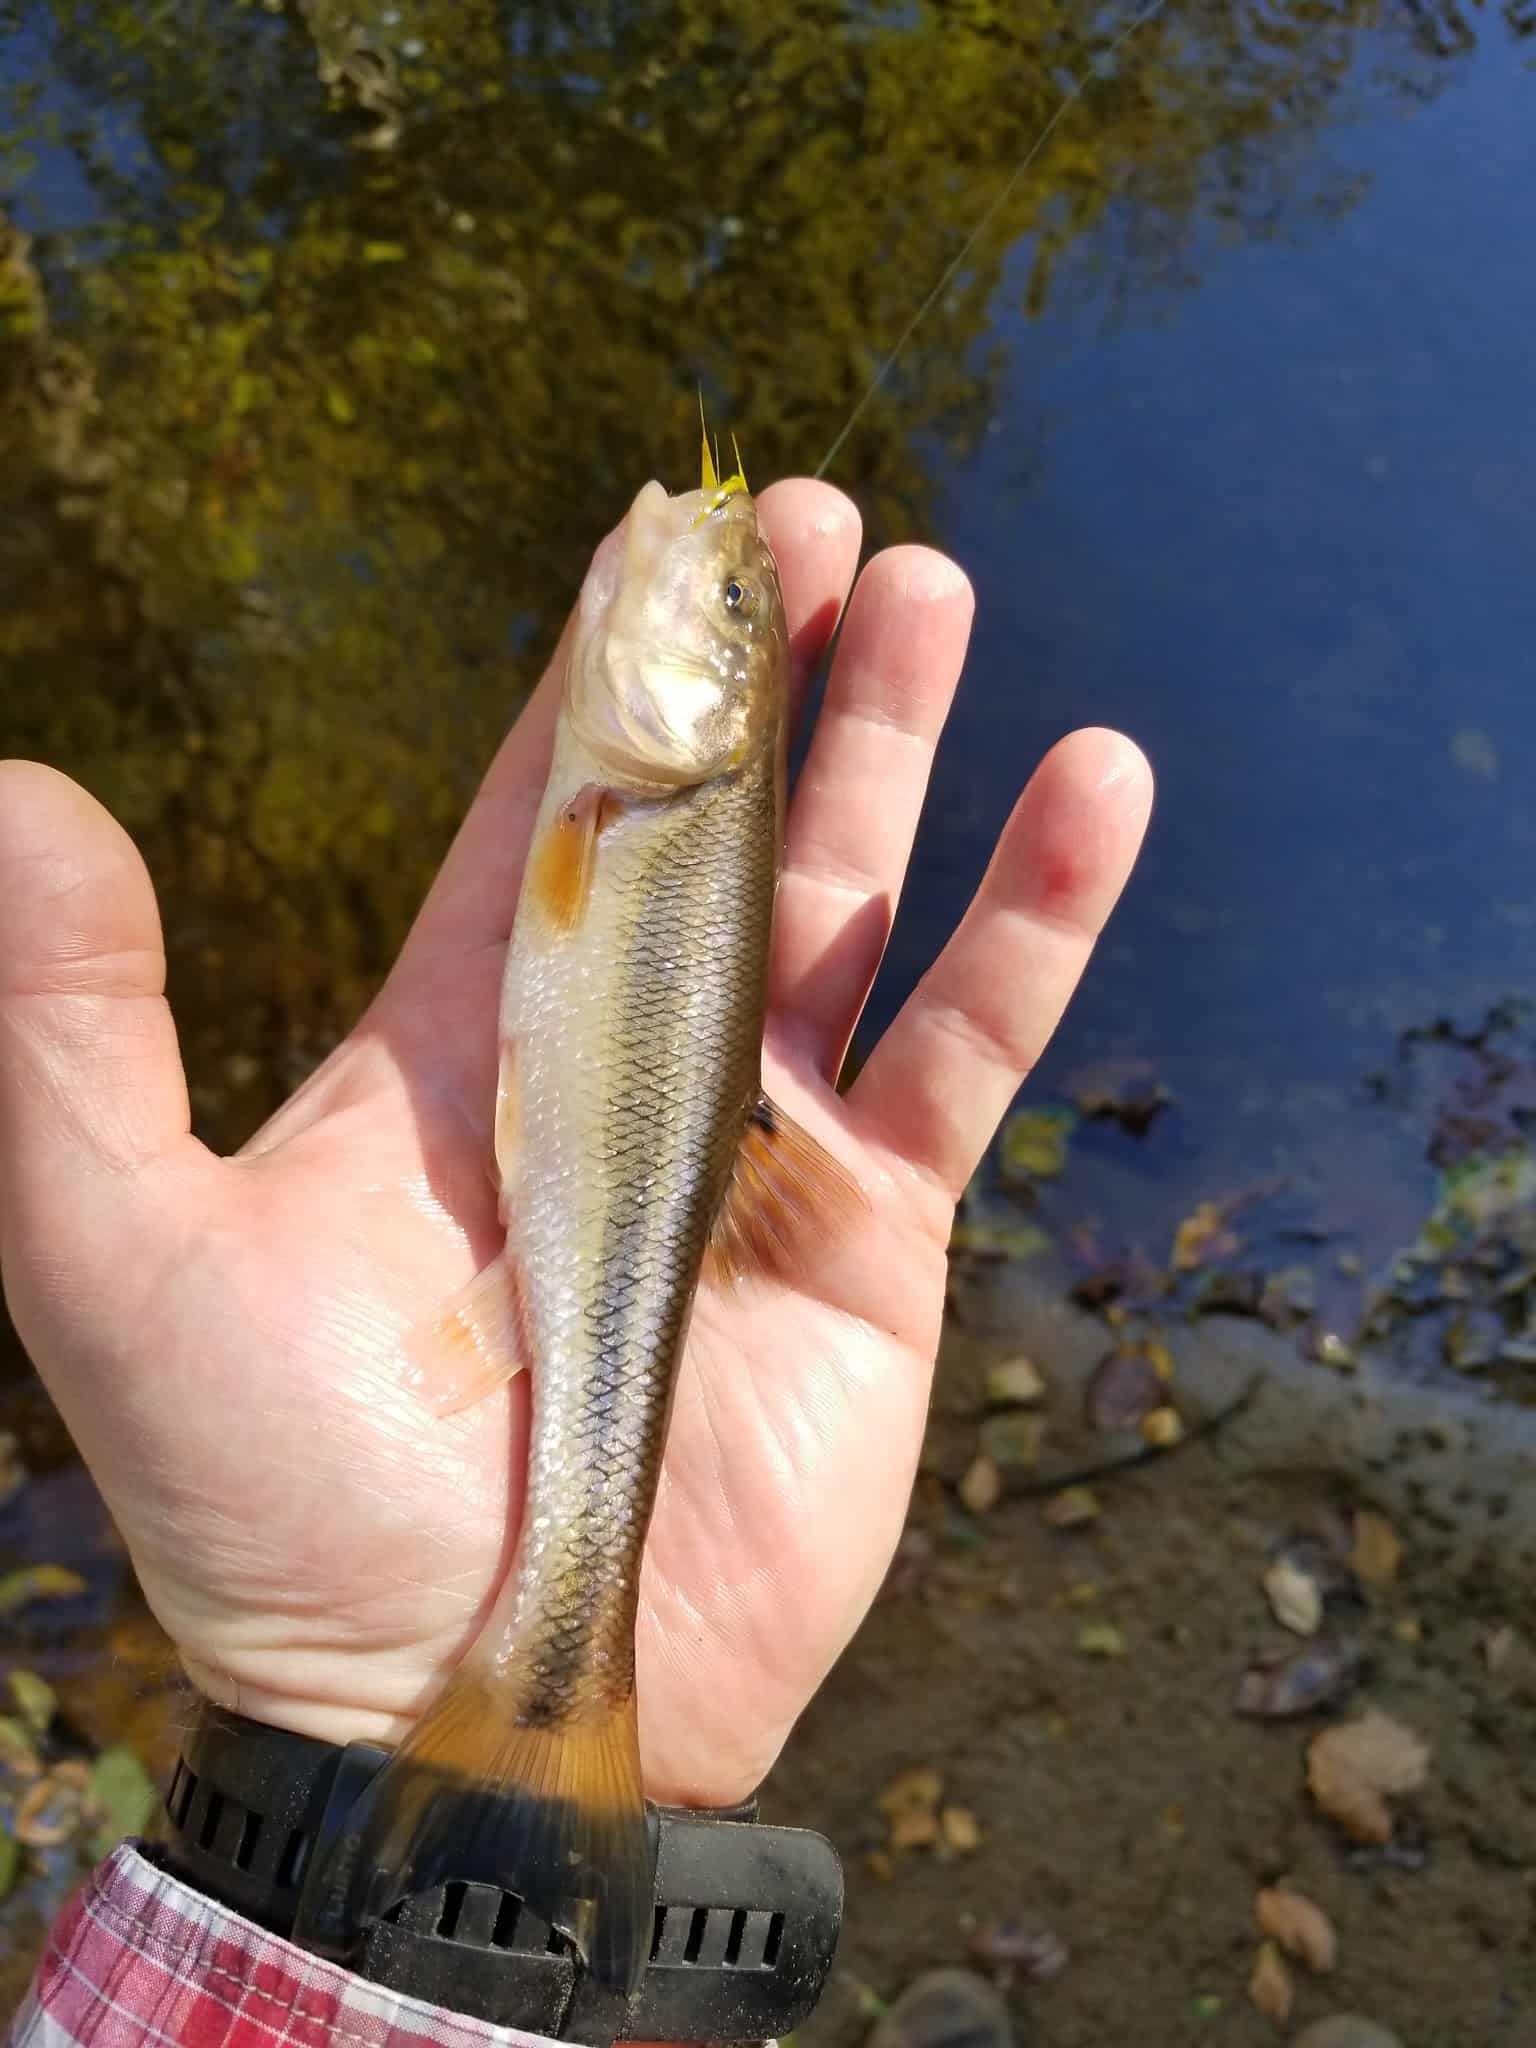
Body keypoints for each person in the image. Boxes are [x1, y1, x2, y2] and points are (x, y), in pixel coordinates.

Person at [0, 478, 1151, 2048]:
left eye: (731, 614)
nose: (708, 553)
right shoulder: (631, 792)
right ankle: (560, 1803)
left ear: (717, 707)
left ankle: (557, 1699)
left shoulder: (628, 802)